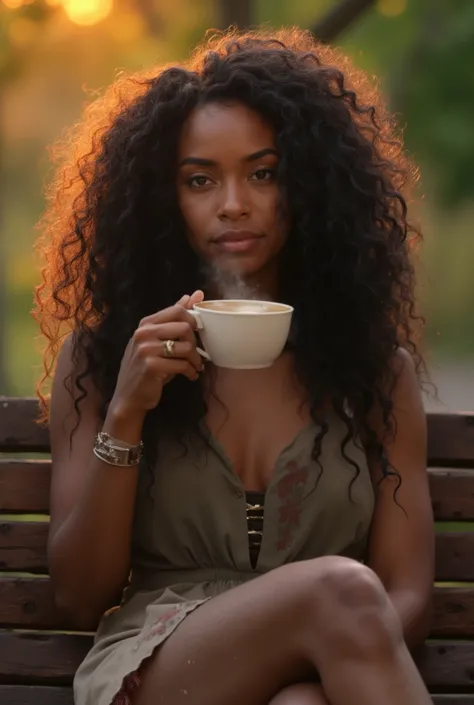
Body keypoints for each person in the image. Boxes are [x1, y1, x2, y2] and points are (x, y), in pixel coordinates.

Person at [35, 27, 435, 705]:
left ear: (306, 184)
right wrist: (129, 412)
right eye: (199, 180)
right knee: (337, 591)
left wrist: (318, 654)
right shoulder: (104, 359)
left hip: (327, 662)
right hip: (161, 663)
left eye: (262, 172)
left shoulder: (372, 371)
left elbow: (407, 591)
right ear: (166, 199)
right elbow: (79, 596)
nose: (232, 204)